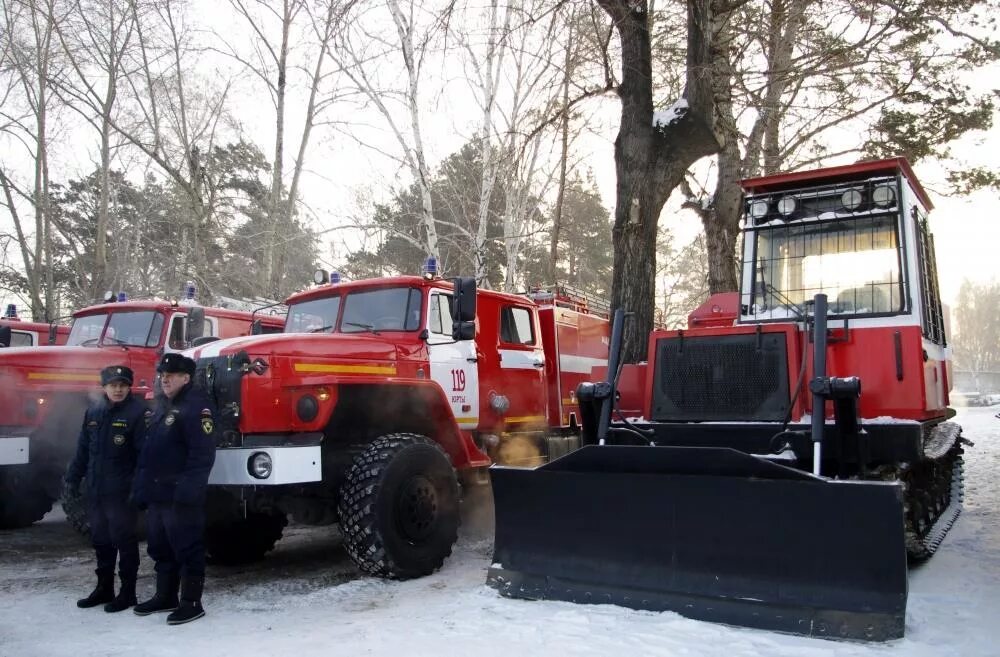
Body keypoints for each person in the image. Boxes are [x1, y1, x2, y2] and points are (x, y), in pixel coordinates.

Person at [132, 353, 216, 625]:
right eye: (163, 375)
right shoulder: (162, 407)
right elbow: (149, 453)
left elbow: (202, 455)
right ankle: (165, 596)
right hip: (158, 495)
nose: (165, 379)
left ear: (186, 378)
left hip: (180, 495)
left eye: (171, 376)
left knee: (186, 547)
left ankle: (191, 602)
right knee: (160, 546)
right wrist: (141, 488)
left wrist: (188, 491)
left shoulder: (197, 407)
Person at [64, 365, 146, 613]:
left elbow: (144, 457)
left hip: (122, 492)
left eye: (122, 385)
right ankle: (104, 588)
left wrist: (138, 489)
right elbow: (83, 450)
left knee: (125, 541)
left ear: (129, 386)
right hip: (97, 490)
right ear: (104, 387)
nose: (118, 389)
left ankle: (128, 592)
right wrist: (73, 478)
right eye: (113, 385)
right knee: (101, 540)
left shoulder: (138, 413)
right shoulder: (94, 412)